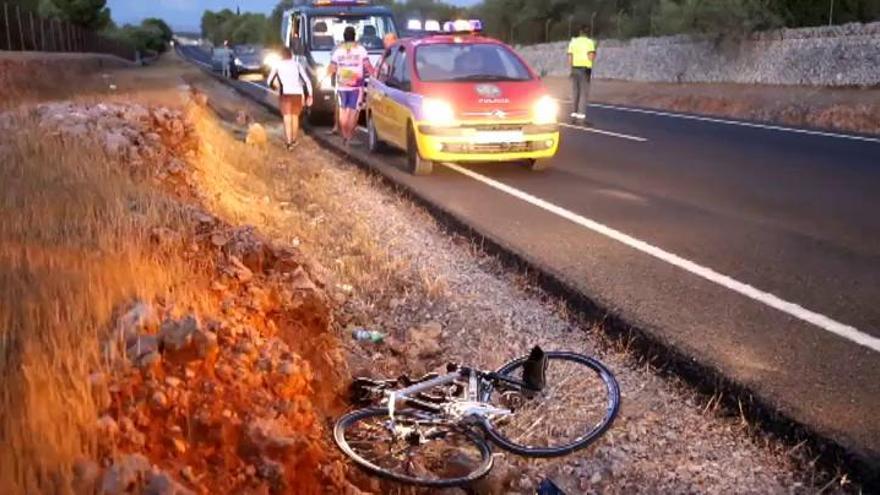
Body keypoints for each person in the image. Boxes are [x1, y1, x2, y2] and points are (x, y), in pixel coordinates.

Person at [328, 26, 374, 145]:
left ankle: (344, 135)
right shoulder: (361, 50)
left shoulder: (338, 51)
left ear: (344, 37)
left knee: (343, 110)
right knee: (353, 111)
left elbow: (332, 68)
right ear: (355, 36)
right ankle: (349, 136)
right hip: (356, 85)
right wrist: (376, 74)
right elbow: (367, 66)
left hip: (342, 85)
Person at [267, 47, 313, 149]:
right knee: (295, 116)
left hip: (285, 94)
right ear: (291, 55)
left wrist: (276, 88)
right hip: (297, 93)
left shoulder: (277, 65)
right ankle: (294, 139)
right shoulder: (297, 65)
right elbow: (307, 81)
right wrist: (310, 95)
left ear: (281, 55)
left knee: (286, 117)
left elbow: (269, 81)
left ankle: (288, 142)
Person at [567, 26, 596, 124]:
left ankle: (574, 117)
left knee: (575, 93)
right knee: (584, 94)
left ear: (580, 32)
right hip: (585, 70)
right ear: (588, 33)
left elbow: (570, 57)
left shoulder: (573, 42)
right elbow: (591, 57)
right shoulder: (590, 42)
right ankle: (581, 119)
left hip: (574, 69)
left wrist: (571, 69)